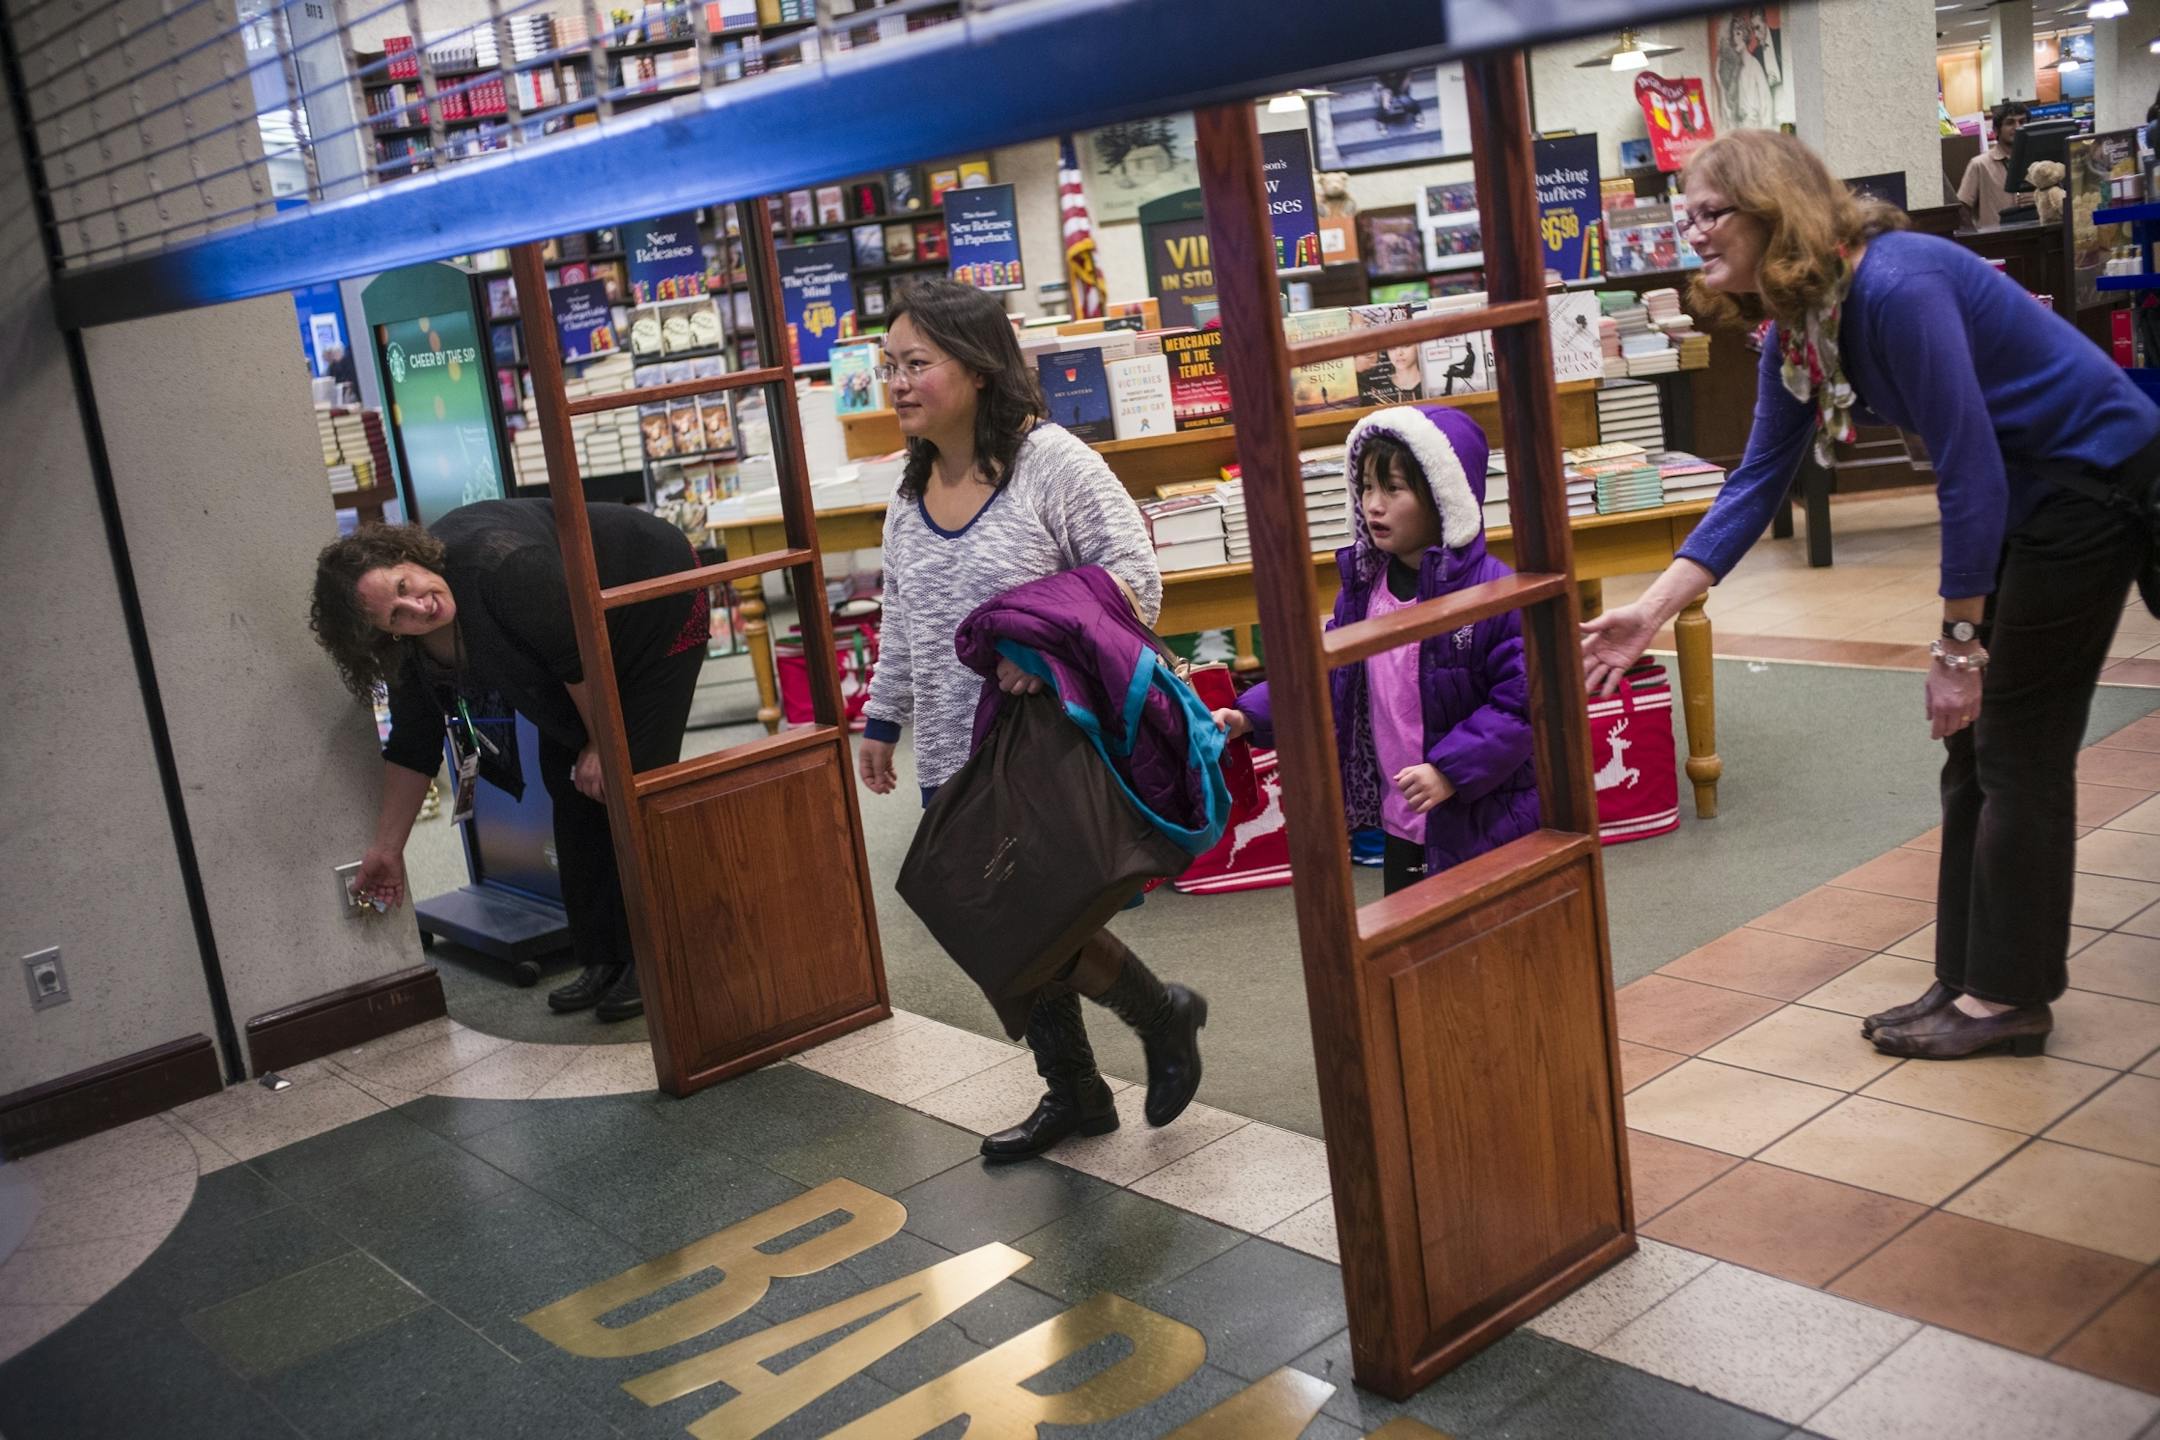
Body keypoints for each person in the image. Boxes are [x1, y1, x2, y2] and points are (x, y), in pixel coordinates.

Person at [1581, 130, 2160, 1061]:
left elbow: (1968, 467)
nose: (1691, 233)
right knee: (1975, 754)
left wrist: (1957, 647)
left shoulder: (1896, 286)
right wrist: (1650, 611)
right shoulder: (1798, 324)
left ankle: (2008, 998)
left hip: (2093, 487)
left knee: (2016, 748)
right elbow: (1755, 480)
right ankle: (1972, 978)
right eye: (1683, 215)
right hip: (2028, 496)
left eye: (1709, 213)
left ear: (1776, 209)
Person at [856, 279, 1208, 1161]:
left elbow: (1136, 575)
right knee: (1003, 920)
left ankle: (1159, 1017)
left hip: (1044, 743)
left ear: (976, 369)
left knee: (1044, 912)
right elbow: (901, 621)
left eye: (916, 364)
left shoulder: (1052, 462)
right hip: (949, 748)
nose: (896, 383)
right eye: (888, 365)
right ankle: (1080, 1090)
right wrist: (880, 718)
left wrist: (1040, 652)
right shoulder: (908, 494)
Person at [311, 499, 710, 1022]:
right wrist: (388, 849)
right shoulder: (411, 648)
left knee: (628, 785)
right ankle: (605, 958)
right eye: (396, 615)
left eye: (406, 587)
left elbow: (578, 656)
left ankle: (655, 957)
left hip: (651, 596)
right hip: (580, 648)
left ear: (405, 555)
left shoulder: (501, 567)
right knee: (567, 786)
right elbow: (413, 742)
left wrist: (604, 748)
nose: (418, 609)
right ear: (385, 634)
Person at [1215, 404, 1536, 894]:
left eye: (1394, 488)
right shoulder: (1366, 590)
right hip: (1403, 816)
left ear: (1442, 496)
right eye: (1366, 486)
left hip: (1480, 816)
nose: (1373, 504)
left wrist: (1450, 770)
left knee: (1478, 943)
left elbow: (1522, 704)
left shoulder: (1491, 593)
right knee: (1411, 942)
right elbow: (1324, 673)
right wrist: (1250, 716)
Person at [1958, 101, 2027, 230]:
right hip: (1996, 242)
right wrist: (1976, 240)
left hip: (2034, 238)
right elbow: (1962, 208)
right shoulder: (1979, 165)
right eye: (2010, 123)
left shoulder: (2036, 163)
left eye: (2022, 122)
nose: (2017, 127)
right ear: (1996, 130)